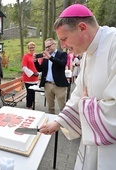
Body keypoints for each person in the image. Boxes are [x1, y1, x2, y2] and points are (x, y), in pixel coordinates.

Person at [40, 4, 116, 170]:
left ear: (82, 27)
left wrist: (85, 105)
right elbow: (78, 94)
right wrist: (58, 122)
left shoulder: (114, 44)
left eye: (64, 39)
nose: (63, 46)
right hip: (93, 143)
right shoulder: (89, 52)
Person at [34, 38, 69, 114]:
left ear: (54, 44)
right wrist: (35, 62)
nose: (47, 48)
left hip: (59, 85)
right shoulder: (46, 57)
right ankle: (51, 122)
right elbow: (40, 69)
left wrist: (50, 57)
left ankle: (63, 123)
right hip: (48, 84)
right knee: (50, 107)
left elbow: (62, 64)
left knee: (62, 107)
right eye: (46, 47)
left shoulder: (62, 54)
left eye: (49, 46)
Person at [22, 42, 39, 109]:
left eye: (33, 47)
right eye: (30, 47)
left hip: (35, 79)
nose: (32, 49)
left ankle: (33, 105)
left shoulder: (36, 56)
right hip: (28, 79)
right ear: (28, 48)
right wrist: (32, 74)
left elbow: (38, 65)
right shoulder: (26, 56)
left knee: (33, 93)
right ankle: (28, 106)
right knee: (29, 93)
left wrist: (38, 73)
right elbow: (24, 67)